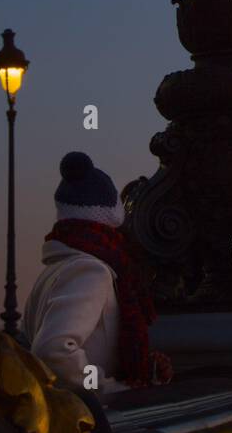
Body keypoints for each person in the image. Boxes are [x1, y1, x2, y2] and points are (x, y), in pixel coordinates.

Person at [23, 152, 171, 397]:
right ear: (112, 218)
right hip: (90, 419)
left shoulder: (51, 272)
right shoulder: (91, 271)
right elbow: (53, 350)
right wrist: (109, 387)